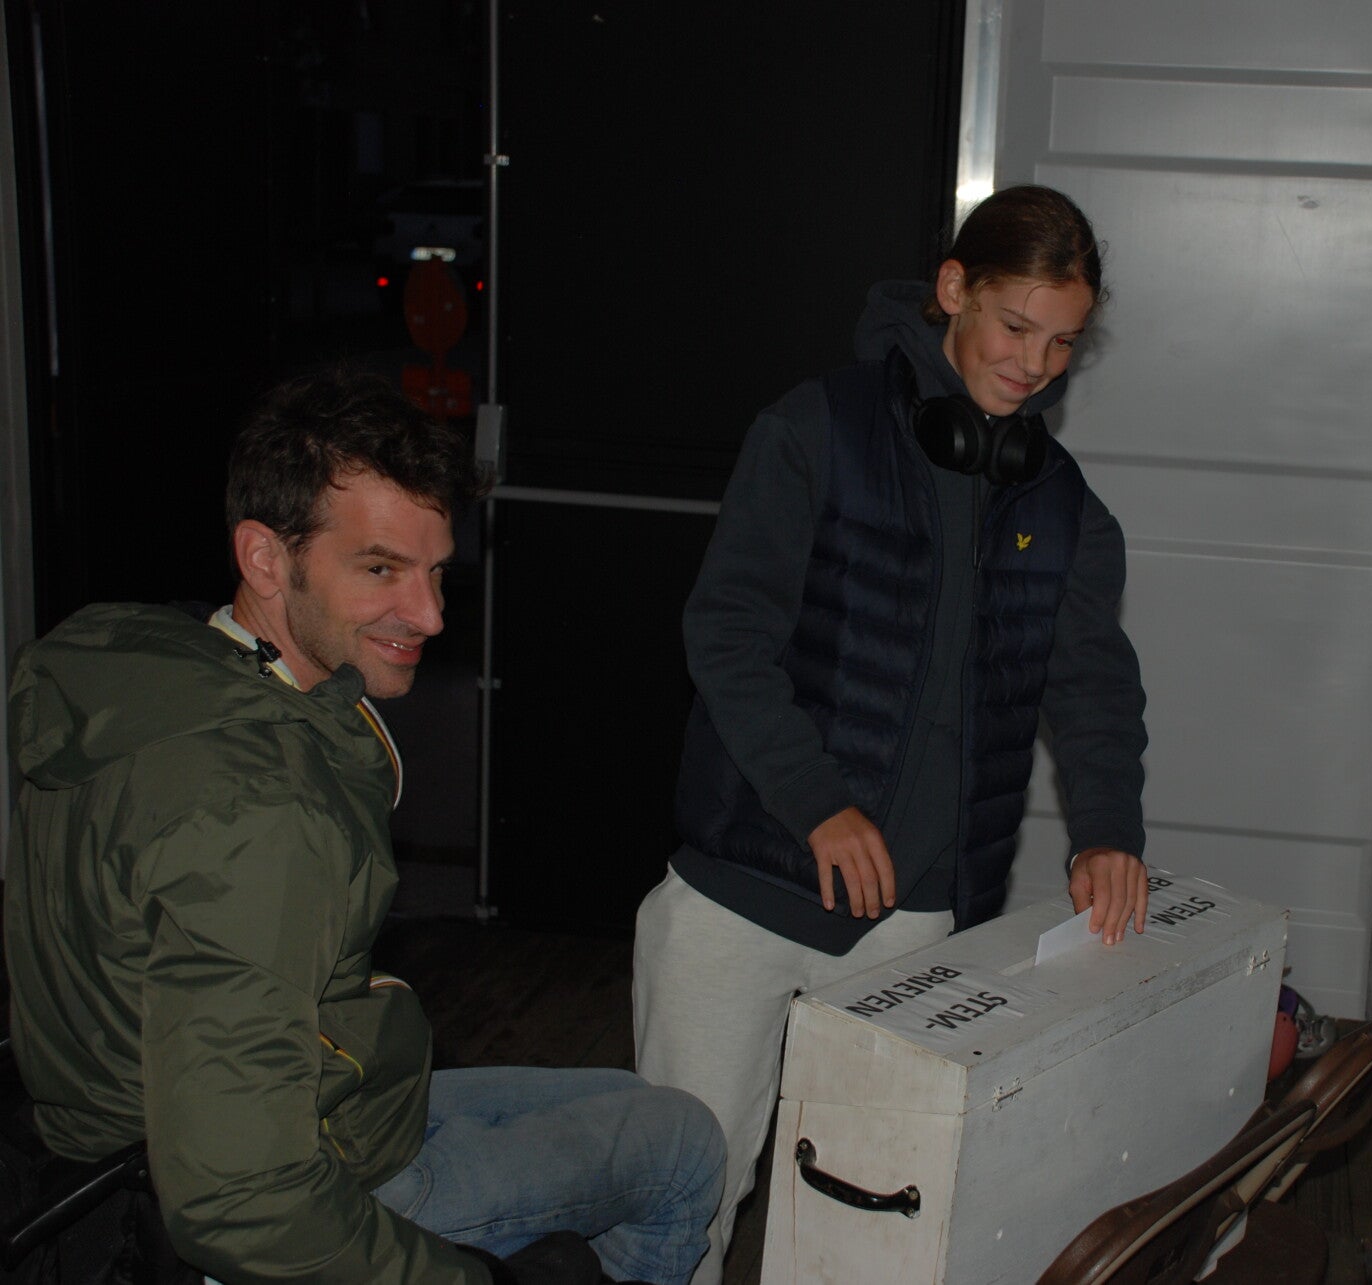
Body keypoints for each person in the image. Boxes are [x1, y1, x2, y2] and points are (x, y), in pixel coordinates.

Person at [5, 371, 724, 1284]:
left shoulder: (154, 666)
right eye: (381, 568)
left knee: (625, 1097)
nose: (429, 614)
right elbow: (242, 1199)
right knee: (680, 1143)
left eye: (436, 571)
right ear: (266, 557)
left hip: (218, 1114)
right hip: (282, 1182)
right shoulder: (260, 813)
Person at [631, 184, 1150, 1280]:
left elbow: (1092, 683)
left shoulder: (1061, 504)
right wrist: (817, 800)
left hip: (916, 923)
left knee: (874, 1224)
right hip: (742, 894)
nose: (1036, 365)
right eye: (1016, 326)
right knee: (684, 1203)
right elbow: (725, 634)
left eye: (1063, 343)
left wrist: (1107, 827)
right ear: (953, 289)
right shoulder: (813, 428)